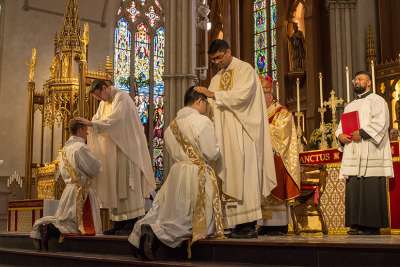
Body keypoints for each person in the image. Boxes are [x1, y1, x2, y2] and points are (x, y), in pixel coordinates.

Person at [128, 86, 224, 260]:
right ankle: (156, 234)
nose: (207, 107)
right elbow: (211, 152)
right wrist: (220, 149)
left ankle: (147, 229)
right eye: (206, 103)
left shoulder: (171, 126)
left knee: (170, 211)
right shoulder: (203, 122)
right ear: (199, 101)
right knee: (191, 219)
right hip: (196, 173)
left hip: (177, 172)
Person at [195, 39, 277, 238]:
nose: (216, 62)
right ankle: (236, 223)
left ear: (228, 52)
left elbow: (242, 97)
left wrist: (213, 95)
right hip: (224, 136)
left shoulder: (245, 69)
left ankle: (248, 224)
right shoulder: (216, 78)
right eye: (213, 60)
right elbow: (212, 107)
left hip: (243, 133)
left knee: (245, 176)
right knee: (230, 176)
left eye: (218, 58)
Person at [78, 80, 156, 235]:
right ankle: (118, 222)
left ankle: (131, 221)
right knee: (114, 184)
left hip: (126, 150)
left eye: (99, 95)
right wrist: (91, 125)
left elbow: (115, 121)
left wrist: (92, 125)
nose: (99, 100)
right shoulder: (103, 104)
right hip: (113, 152)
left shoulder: (122, 98)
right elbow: (96, 120)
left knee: (126, 185)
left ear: (105, 87)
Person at [30, 118, 102, 250]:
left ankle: (47, 227)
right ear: (80, 129)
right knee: (77, 226)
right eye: (86, 130)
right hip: (81, 191)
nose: (87, 133)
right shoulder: (80, 148)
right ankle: (52, 230)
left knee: (66, 220)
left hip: (69, 190)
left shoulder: (63, 150)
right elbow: (94, 168)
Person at [336, 71, 393, 235]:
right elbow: (341, 126)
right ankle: (356, 224)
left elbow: (381, 123)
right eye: (355, 80)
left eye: (360, 79)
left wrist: (361, 133)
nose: (356, 82)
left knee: (370, 187)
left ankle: (371, 225)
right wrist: (340, 135)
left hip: (371, 150)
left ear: (369, 83)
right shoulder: (349, 105)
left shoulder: (378, 101)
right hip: (353, 151)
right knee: (354, 185)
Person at [258, 76, 301, 235]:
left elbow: (282, 133)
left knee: (274, 184)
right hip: (261, 158)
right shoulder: (258, 114)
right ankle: (263, 222)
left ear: (270, 95)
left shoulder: (282, 112)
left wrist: (260, 130)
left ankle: (278, 224)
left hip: (277, 157)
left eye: (263, 96)